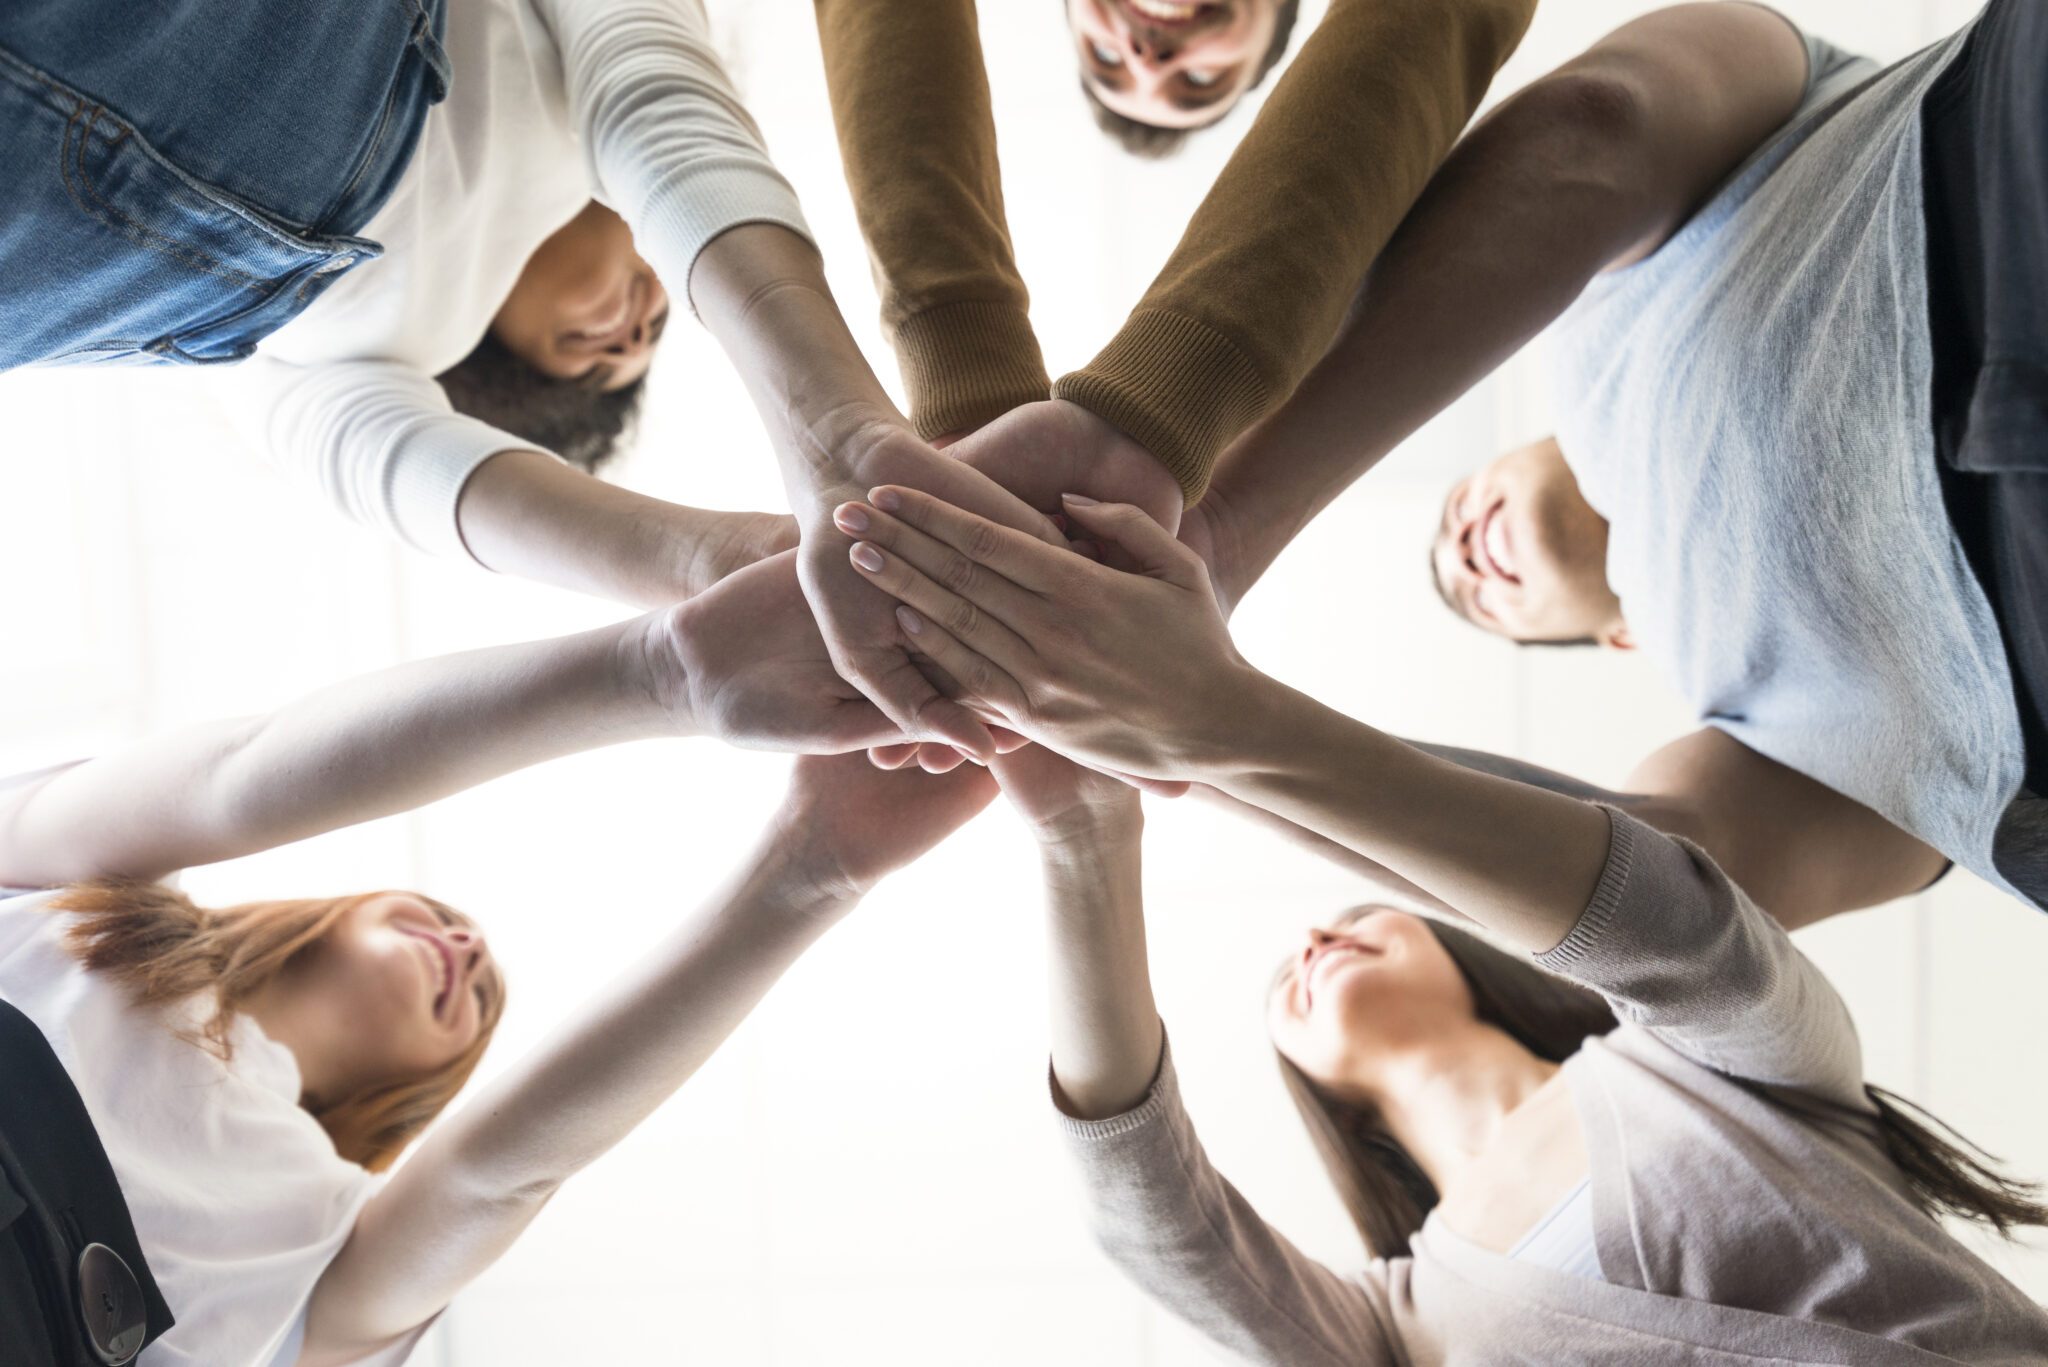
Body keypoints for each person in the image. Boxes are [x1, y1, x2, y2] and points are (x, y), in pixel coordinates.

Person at [873, 0, 2048, 920]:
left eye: (1450, 523)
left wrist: (1215, 533)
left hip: (1989, 175)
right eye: (1489, 603)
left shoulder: (1596, 311)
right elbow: (1684, 882)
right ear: (1618, 635)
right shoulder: (1735, 704)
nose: (1464, 556)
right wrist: (1203, 724)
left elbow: (1594, 123)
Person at [822, 487, 2048, 1361]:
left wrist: (1212, 728)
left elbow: (1676, 922)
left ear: (1466, 943)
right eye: (1289, 980)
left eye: (1361, 915)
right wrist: (1079, 834)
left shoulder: (1702, 1059)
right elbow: (1157, 1223)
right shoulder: (1390, 1332)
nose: (1315, 943)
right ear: (1319, 1098)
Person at [0, 598, 993, 1366]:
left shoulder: (324, 1235)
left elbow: (501, 1169)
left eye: (480, 1002)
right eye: (442, 921)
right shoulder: (84, 905)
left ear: (428, 1088)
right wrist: (661, 668)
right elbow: (238, 775)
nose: (467, 950)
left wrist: (809, 868)